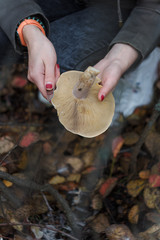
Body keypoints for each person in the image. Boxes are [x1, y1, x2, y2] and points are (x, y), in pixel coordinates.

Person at [0, 0, 159, 104]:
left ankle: (140, 54)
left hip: (125, 9)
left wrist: (121, 56)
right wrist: (29, 31)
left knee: (62, 63)